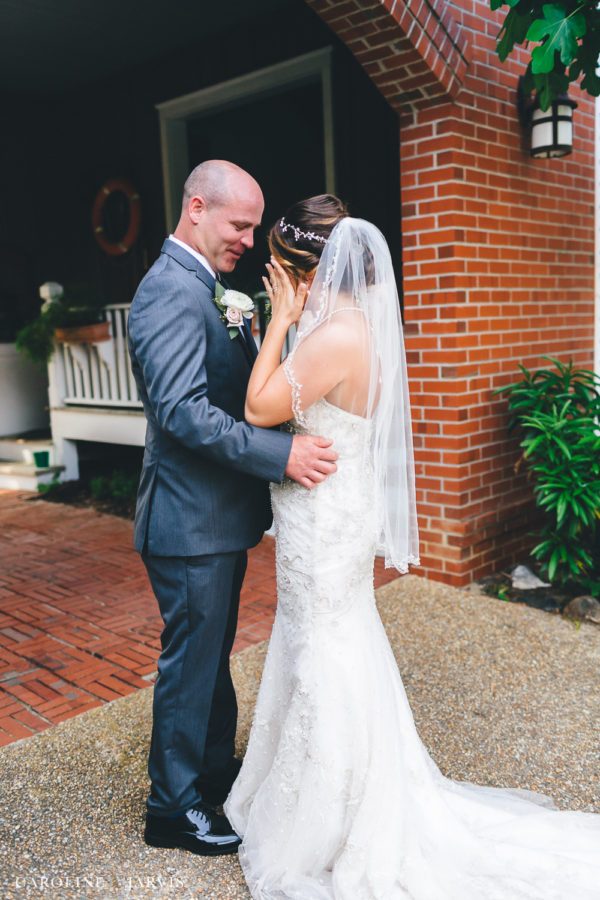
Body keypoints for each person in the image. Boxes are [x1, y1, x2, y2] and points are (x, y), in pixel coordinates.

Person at [225, 195, 600, 898]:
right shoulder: (346, 324)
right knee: (330, 637)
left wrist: (276, 321)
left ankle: (332, 814)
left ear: (312, 271)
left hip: (326, 516)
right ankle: (318, 781)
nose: (276, 279)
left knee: (326, 646)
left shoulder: (333, 336)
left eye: (283, 270)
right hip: (331, 509)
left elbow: (258, 409)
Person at [127, 162, 337, 857]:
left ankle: (211, 774)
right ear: (196, 208)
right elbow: (182, 413)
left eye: (253, 226)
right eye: (239, 224)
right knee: (192, 663)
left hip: (213, 517)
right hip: (188, 520)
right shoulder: (168, 290)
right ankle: (174, 807)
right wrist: (281, 458)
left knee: (210, 657)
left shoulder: (207, 289)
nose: (248, 238)